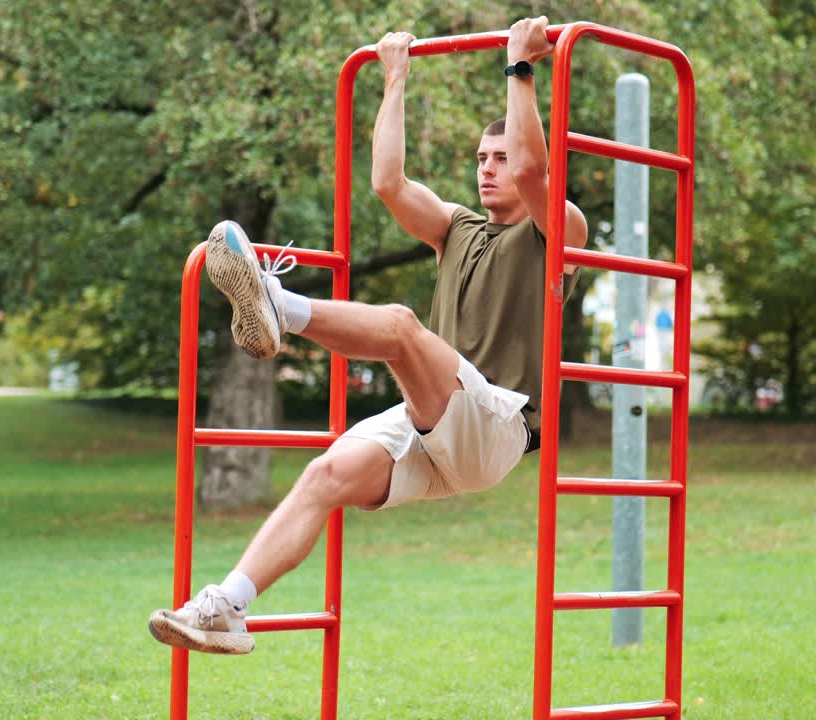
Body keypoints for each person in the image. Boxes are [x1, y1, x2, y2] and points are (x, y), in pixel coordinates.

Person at [149, 16, 588, 655]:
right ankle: (224, 607)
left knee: (401, 328)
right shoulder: (457, 229)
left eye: (497, 158)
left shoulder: (559, 232)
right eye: (479, 160)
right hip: (437, 423)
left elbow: (531, 172)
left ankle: (278, 305)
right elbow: (388, 183)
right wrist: (395, 78)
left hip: (498, 422)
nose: (488, 170)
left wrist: (520, 67)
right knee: (325, 474)